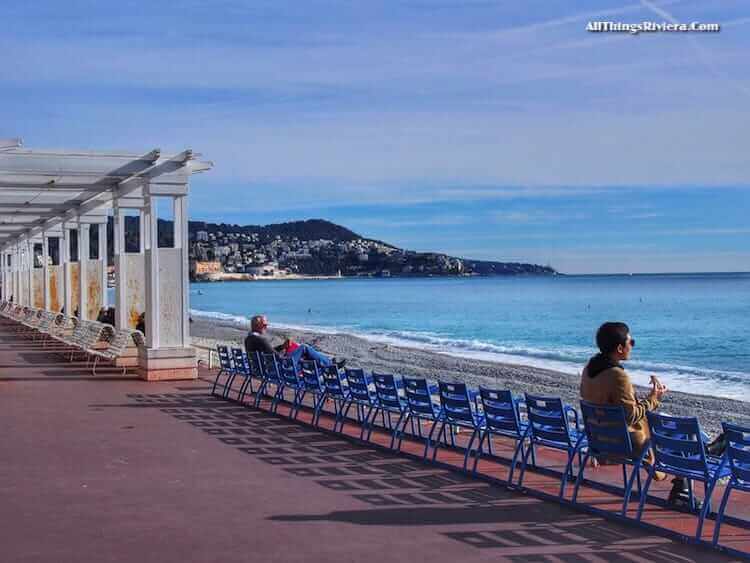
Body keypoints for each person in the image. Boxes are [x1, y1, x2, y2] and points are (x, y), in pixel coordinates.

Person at [579, 322, 695, 507]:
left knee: (678, 434)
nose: (632, 345)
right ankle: (686, 482)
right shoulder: (618, 375)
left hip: (600, 439)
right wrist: (654, 398)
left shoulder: (589, 370)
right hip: (624, 443)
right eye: (630, 342)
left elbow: (613, 406)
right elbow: (631, 416)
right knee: (684, 436)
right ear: (619, 348)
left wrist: (642, 400)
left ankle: (684, 483)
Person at [244, 314, 344, 369]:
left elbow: (268, 352)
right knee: (304, 347)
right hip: (279, 367)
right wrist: (285, 352)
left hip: (260, 368)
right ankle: (330, 364)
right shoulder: (261, 339)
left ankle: (328, 363)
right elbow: (276, 356)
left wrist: (282, 346)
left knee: (303, 354)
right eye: (264, 325)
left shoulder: (248, 339)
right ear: (257, 326)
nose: (266, 327)